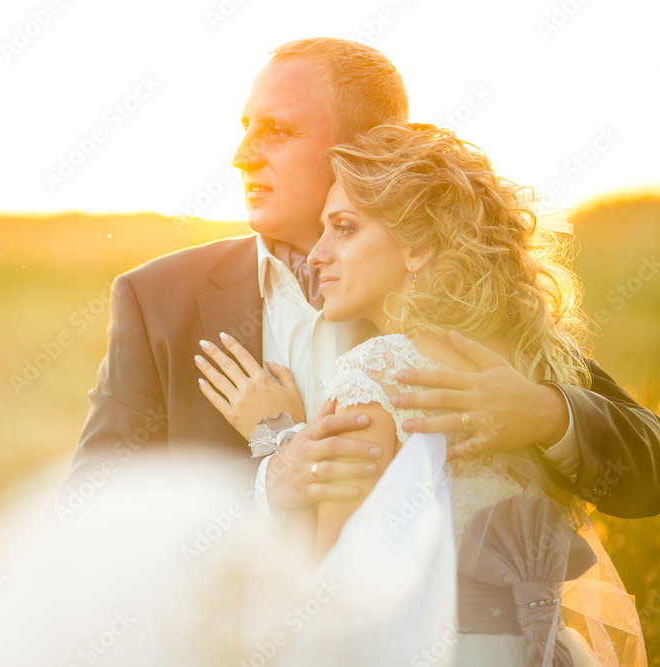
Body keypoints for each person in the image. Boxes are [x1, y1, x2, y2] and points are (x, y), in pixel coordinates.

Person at [64, 37, 660, 525]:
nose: (241, 155)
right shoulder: (158, 298)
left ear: (364, 147)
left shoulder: (466, 295)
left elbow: (649, 466)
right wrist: (273, 480)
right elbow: (92, 511)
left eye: (278, 130)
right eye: (247, 126)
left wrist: (545, 415)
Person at [197, 122, 647, 665]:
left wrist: (279, 439)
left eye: (343, 228)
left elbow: (330, 599)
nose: (316, 255)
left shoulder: (376, 372)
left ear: (418, 248)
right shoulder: (537, 360)